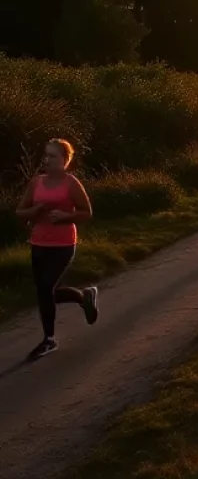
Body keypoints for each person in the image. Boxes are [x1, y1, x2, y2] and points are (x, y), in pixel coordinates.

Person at [14, 139, 98, 361]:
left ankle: (49, 339)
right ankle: (84, 296)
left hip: (63, 244)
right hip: (39, 243)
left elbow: (86, 213)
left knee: (45, 288)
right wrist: (36, 209)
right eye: (46, 155)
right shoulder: (36, 183)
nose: (47, 160)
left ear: (65, 160)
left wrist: (65, 217)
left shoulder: (71, 183)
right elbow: (20, 212)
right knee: (47, 291)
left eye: (53, 156)